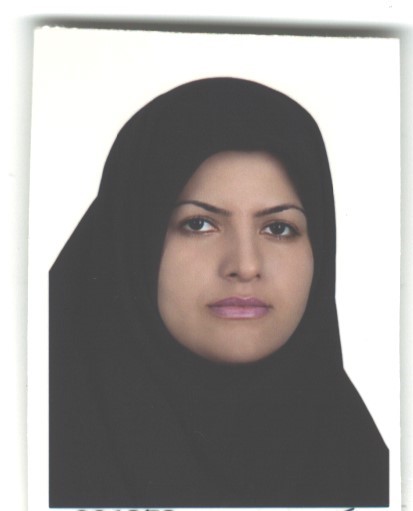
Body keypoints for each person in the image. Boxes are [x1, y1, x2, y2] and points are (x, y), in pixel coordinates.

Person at [49, 77, 389, 508]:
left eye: (278, 228)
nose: (245, 265)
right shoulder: (34, 441)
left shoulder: (366, 467)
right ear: (133, 241)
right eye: (199, 224)